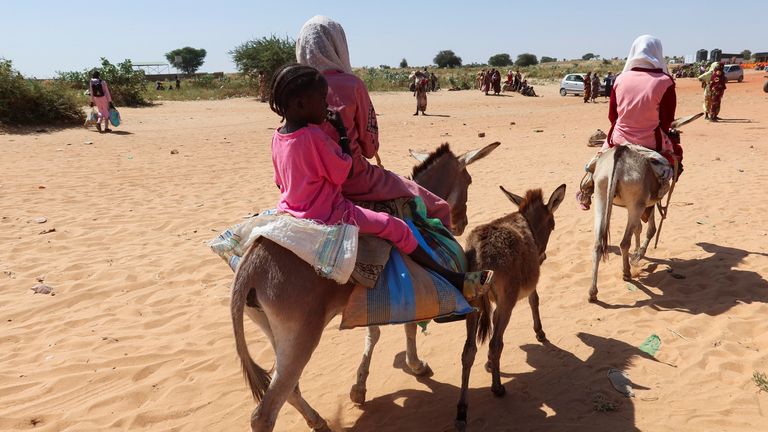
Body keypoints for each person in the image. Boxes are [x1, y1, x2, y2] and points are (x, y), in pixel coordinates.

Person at [267, 63, 493, 299]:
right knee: (397, 227)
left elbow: (279, 181)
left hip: (289, 209)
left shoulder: (277, 136)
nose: (326, 104)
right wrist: (342, 133)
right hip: (329, 212)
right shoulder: (315, 136)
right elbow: (343, 172)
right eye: (322, 98)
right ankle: (452, 279)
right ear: (300, 104)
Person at [296, 16, 453, 229]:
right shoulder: (352, 85)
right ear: (338, 45)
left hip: (301, 183)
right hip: (354, 180)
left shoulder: (294, 87)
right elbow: (370, 148)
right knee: (439, 206)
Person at [576, 35, 682, 210]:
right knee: (676, 154)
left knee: (598, 159)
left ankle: (586, 188)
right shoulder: (666, 82)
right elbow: (666, 121)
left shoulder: (620, 79)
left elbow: (612, 117)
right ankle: (659, 191)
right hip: (650, 141)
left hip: (619, 138)